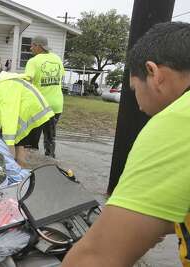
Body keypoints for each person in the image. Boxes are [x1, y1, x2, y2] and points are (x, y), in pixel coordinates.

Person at [61, 22, 190, 267]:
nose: (138, 104)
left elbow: (96, 257)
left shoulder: (178, 119)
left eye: (133, 89)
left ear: (154, 73)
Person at [0, 61, 54, 167]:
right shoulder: (2, 84)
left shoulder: (5, 86)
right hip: (33, 116)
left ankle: (23, 178)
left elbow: (9, 115)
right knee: (17, 153)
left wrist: (9, 142)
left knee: (20, 155)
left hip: (34, 119)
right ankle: (19, 173)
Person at [25, 35, 65, 158]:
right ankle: (50, 161)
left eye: (32, 45)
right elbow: (61, 77)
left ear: (38, 46)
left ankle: (31, 164)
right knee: (50, 138)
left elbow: (27, 82)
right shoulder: (57, 59)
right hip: (56, 105)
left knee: (32, 140)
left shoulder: (33, 61)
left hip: (40, 106)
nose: (31, 48)